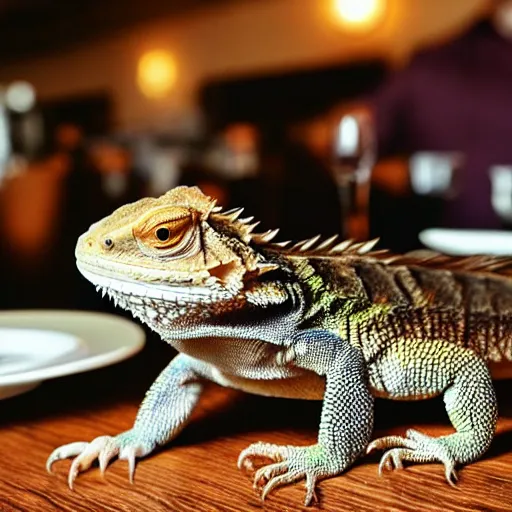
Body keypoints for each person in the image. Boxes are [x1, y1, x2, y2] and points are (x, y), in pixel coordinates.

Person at [371, 0, 512, 246]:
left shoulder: (426, 64)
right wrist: (411, 173)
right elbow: (348, 140)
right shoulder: (428, 65)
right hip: (433, 256)